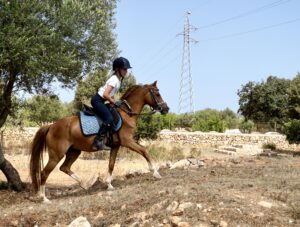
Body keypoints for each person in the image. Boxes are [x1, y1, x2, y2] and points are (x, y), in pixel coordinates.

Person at [91, 57, 132, 150]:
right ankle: (97, 141)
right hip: (97, 101)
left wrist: (112, 102)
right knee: (109, 118)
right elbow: (105, 94)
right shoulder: (114, 80)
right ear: (118, 69)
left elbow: (111, 94)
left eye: (127, 69)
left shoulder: (118, 80)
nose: (126, 71)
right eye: (124, 69)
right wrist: (113, 101)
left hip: (101, 100)